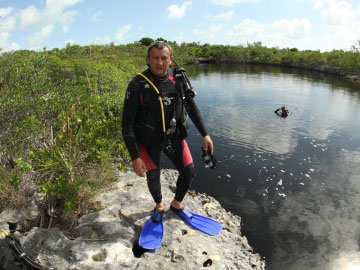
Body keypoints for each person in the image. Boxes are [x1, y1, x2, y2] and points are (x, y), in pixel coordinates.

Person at [121, 41, 217, 243]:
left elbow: (192, 108)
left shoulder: (178, 80)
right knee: (153, 175)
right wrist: (135, 156)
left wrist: (205, 134)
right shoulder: (138, 84)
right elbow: (127, 123)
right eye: (155, 57)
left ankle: (177, 204)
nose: (159, 62)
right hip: (148, 141)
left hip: (173, 137)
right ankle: (158, 206)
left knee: (189, 171)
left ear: (170, 59)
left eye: (164, 57)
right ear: (148, 60)